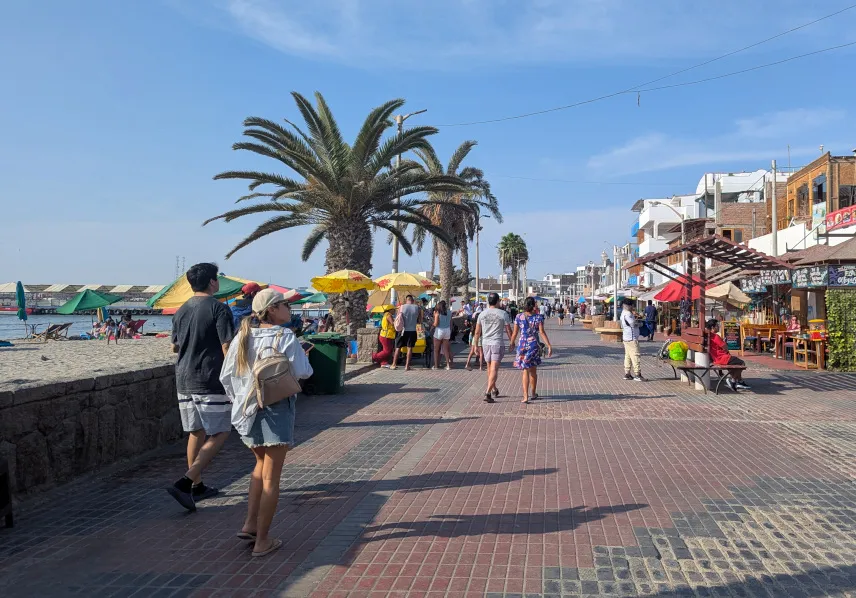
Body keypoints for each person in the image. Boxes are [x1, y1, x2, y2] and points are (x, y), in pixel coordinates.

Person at [221, 289, 313, 558]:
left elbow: (227, 377)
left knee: (260, 467)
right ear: (272, 309)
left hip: (247, 412)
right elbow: (304, 372)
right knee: (272, 478)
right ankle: (262, 541)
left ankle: (250, 524)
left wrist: (241, 401)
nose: (289, 309)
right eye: (285, 304)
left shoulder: (242, 337)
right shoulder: (284, 336)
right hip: (275, 411)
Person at [166, 263, 235, 511]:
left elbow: (174, 346)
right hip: (209, 378)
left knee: (196, 432)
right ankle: (186, 482)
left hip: (183, 377)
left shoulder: (181, 310)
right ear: (212, 282)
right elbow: (227, 345)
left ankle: (197, 485)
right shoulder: (219, 309)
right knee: (220, 432)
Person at [509, 297, 553, 404]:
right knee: (533, 370)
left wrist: (512, 343)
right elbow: (542, 332)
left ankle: (525, 395)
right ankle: (533, 393)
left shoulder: (519, 317)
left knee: (525, 370)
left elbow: (515, 333)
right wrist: (548, 345)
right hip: (534, 345)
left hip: (522, 345)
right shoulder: (538, 317)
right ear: (533, 305)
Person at [473, 292, 513, 403]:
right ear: (497, 301)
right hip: (497, 343)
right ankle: (487, 392)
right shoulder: (503, 314)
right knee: (494, 368)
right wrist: (512, 341)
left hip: (485, 343)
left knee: (490, 368)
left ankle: (494, 389)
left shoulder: (482, 314)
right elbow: (508, 330)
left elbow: (477, 332)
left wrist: (476, 345)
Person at [706, 319, 750, 391]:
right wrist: (724, 342)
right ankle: (732, 381)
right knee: (741, 363)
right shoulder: (715, 336)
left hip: (716, 358)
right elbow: (725, 347)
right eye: (717, 326)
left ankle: (739, 381)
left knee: (735, 364)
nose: (718, 327)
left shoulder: (709, 336)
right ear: (713, 327)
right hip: (722, 358)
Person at [391, 295, 422, 371]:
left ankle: (394, 364)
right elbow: (420, 321)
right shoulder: (417, 308)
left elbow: (398, 319)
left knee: (398, 347)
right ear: (412, 300)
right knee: (409, 348)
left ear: (406, 299)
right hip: (412, 331)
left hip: (402, 331)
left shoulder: (401, 307)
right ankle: (407, 366)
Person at [619, 298, 646, 382]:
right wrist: (640, 324)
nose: (632, 307)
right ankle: (637, 374)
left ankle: (627, 373)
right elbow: (633, 324)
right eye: (632, 305)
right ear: (628, 305)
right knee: (635, 355)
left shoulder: (623, 313)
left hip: (626, 338)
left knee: (628, 356)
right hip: (631, 338)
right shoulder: (628, 314)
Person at [432, 300, 453, 370]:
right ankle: (448, 365)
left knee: (436, 349)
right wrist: (450, 330)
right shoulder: (449, 312)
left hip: (439, 331)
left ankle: (436, 366)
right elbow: (451, 323)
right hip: (447, 331)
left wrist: (432, 322)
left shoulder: (438, 313)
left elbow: (436, 324)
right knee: (445, 349)